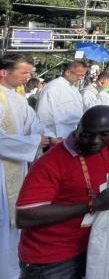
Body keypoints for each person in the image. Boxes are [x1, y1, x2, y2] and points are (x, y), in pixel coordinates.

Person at [16, 106, 109, 278]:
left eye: (104, 135)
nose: (95, 141)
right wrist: (92, 205)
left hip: (97, 245)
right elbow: (24, 217)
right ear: (78, 128)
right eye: (87, 134)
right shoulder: (51, 162)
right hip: (52, 258)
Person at [0, 54, 46, 279]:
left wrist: (39, 135)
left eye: (30, 73)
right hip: (0, 173)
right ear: (4, 72)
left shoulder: (18, 97)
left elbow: (33, 122)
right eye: (24, 73)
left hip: (16, 167)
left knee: (11, 227)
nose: (29, 77)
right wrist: (34, 141)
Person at [35, 61, 87, 138]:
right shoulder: (52, 88)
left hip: (72, 134)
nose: (80, 78)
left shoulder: (73, 88)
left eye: (83, 75)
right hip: (57, 137)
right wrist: (50, 137)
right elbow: (43, 115)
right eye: (79, 75)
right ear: (68, 72)